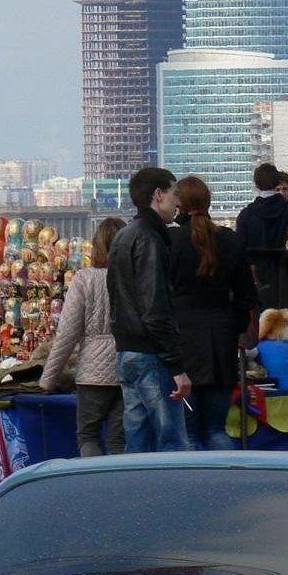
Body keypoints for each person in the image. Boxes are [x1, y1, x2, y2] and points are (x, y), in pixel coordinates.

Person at [168, 176, 259, 451]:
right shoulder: (229, 241)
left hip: (183, 340)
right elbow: (246, 295)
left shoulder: (171, 241)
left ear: (178, 205)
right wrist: (234, 327)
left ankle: (195, 492)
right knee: (216, 429)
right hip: (221, 341)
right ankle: (227, 483)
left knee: (189, 433)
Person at [107, 167, 192, 453]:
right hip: (152, 353)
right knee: (172, 441)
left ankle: (136, 495)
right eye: (174, 193)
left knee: (138, 440)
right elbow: (155, 304)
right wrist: (176, 366)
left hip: (126, 351)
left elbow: (118, 297)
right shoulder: (150, 238)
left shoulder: (123, 235)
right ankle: (176, 498)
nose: (178, 202)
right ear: (158, 195)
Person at [40, 217, 124, 457]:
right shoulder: (133, 279)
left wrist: (49, 378)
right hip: (127, 366)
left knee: (88, 435)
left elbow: (67, 333)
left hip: (92, 374)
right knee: (119, 438)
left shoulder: (84, 279)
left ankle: (94, 487)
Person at [234, 162, 288, 252]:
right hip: (286, 264)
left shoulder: (245, 215)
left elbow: (239, 250)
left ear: (257, 185)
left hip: (258, 264)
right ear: (277, 182)